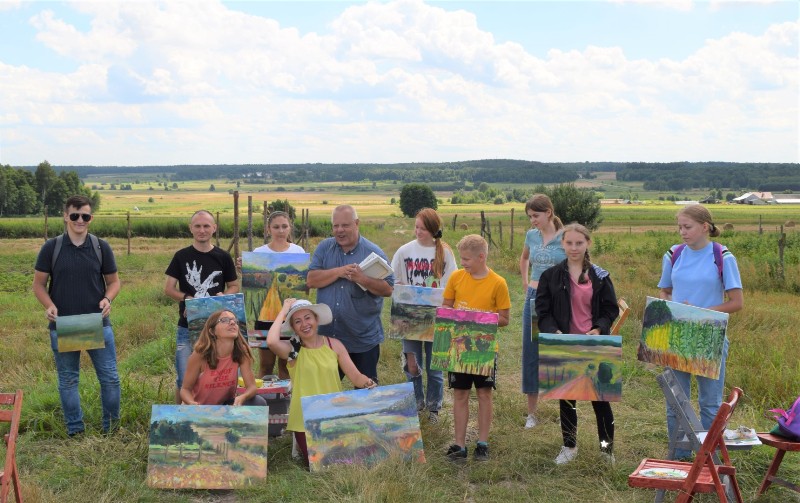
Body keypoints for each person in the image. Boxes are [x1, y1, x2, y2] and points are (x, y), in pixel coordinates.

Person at [658, 204, 743, 460]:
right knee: (676, 403)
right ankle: (679, 459)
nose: (682, 232)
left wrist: (699, 311)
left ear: (705, 227)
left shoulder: (723, 257)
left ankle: (709, 462)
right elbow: (665, 291)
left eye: (687, 227)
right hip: (677, 337)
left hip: (710, 337)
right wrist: (672, 306)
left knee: (710, 405)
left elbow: (736, 302)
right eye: (679, 227)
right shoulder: (673, 254)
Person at [32, 195, 121, 436]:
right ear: (65, 216)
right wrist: (49, 305)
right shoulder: (52, 248)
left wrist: (108, 299)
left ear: (91, 218)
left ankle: (111, 429)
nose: (80, 220)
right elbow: (38, 285)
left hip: (97, 323)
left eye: (85, 216)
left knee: (110, 378)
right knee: (69, 380)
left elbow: (114, 282)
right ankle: (75, 430)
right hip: (64, 325)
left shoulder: (101, 247)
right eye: (75, 215)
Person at [535, 223, 620, 465]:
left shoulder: (600, 276)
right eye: (569, 243)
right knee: (567, 400)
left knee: (601, 401)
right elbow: (543, 311)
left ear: (587, 244)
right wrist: (554, 331)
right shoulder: (550, 276)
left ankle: (606, 450)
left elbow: (610, 309)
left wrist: (599, 328)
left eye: (579, 243)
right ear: (562, 244)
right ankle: (569, 447)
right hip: (564, 343)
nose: (574, 248)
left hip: (594, 344)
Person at [267, 298, 376, 466]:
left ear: (316, 319)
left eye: (308, 318)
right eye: (297, 321)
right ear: (293, 328)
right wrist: (284, 310)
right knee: (323, 463)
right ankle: (301, 444)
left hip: (333, 415)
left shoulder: (334, 344)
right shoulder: (293, 349)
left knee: (346, 460)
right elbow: (272, 342)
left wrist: (368, 383)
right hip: (305, 420)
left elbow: (355, 377)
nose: (304, 324)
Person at [306, 205, 393, 383]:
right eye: (336, 226)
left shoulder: (374, 253)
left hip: (362, 339)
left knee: (365, 390)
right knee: (326, 390)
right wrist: (339, 272)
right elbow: (311, 280)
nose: (340, 230)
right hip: (328, 337)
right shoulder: (324, 248)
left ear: (356, 223)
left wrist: (362, 279)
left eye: (345, 225)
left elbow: (388, 289)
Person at [443, 235, 511, 462]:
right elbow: (446, 307)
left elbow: (505, 319)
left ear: (481, 257)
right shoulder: (456, 277)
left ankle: (482, 444)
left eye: (466, 259)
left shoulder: (498, 283)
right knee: (460, 394)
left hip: (484, 348)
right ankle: (459, 445)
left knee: (484, 393)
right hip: (459, 347)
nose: (462, 263)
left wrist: (480, 319)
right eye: (461, 258)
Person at [391, 208, 457, 423]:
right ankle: (416, 403)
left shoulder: (445, 253)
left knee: (435, 367)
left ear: (433, 230)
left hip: (436, 317)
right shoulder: (404, 251)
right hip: (408, 317)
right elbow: (392, 279)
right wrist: (399, 287)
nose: (418, 232)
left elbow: (452, 284)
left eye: (423, 229)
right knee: (412, 365)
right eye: (416, 227)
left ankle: (434, 408)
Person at [164, 210, 239, 403]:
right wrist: (187, 298)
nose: (202, 230)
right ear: (191, 228)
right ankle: (181, 415)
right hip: (188, 327)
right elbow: (169, 289)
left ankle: (216, 412)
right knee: (184, 379)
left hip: (218, 329)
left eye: (206, 226)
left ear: (214, 228)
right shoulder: (181, 256)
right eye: (197, 226)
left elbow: (234, 285)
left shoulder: (223, 257)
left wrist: (224, 296)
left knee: (219, 378)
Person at [239, 210, 305, 380]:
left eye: (284, 226)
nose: (281, 231)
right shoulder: (259, 252)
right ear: (268, 229)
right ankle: (264, 396)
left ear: (290, 228)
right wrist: (245, 269)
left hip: (290, 318)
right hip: (264, 318)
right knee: (266, 365)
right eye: (276, 227)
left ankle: (285, 396)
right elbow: (254, 282)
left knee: (287, 365)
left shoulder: (298, 251)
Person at [518, 194, 565, 429]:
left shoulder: (566, 237)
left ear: (548, 212)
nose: (532, 220)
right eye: (529, 216)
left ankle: (566, 410)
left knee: (559, 352)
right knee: (532, 352)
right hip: (534, 299)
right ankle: (532, 414)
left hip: (560, 301)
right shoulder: (531, 235)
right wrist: (526, 282)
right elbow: (524, 258)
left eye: (535, 215)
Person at [180, 309, 266, 407]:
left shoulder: (241, 351)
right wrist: (192, 404)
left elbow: (252, 387)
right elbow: (185, 389)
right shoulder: (200, 354)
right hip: (198, 408)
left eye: (235, 320)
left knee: (258, 402)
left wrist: (243, 397)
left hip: (224, 407)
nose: (232, 323)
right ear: (212, 331)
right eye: (224, 320)